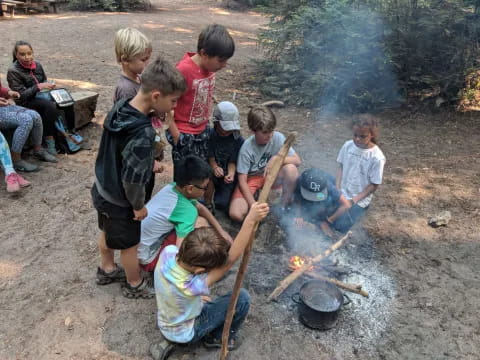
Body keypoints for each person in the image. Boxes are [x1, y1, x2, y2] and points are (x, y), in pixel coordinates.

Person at [91, 57, 186, 299]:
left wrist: (148, 161)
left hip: (102, 189)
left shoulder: (121, 106)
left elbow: (120, 153)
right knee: (129, 245)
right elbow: (132, 180)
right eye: (172, 101)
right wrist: (138, 206)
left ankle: (107, 268)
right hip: (122, 201)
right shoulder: (141, 132)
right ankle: (134, 283)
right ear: (156, 96)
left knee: (106, 229)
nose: (173, 107)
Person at [149, 202, 269, 359]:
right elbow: (231, 260)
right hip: (187, 332)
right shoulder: (191, 286)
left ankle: (180, 331)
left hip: (166, 322)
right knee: (242, 298)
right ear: (199, 271)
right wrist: (250, 221)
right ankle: (216, 338)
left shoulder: (169, 252)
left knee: (204, 297)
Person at [138, 155, 233, 272]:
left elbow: (200, 208)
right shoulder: (187, 211)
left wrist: (221, 230)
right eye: (205, 187)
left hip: (139, 250)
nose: (206, 190)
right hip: (150, 259)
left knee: (199, 222)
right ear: (190, 189)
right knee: (200, 228)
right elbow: (180, 251)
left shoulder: (172, 188)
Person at [166, 24, 235, 166]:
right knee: (186, 178)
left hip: (203, 130)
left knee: (202, 173)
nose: (224, 65)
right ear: (204, 54)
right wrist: (176, 135)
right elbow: (166, 103)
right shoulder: (183, 70)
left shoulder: (210, 68)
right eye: (221, 60)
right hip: (184, 132)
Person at [112, 27, 166, 201]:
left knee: (147, 190)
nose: (147, 63)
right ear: (125, 60)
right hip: (139, 156)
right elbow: (129, 135)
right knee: (139, 195)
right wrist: (150, 162)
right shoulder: (126, 89)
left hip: (148, 146)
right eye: (143, 59)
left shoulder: (139, 79)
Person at [229, 105, 301, 222]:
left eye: (272, 130)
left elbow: (297, 160)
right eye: (265, 132)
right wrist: (255, 207)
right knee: (235, 214)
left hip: (271, 176)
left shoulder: (277, 138)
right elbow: (242, 181)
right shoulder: (246, 148)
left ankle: (282, 207)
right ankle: (257, 202)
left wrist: (277, 158)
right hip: (251, 180)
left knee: (291, 170)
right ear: (253, 131)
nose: (270, 135)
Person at [7, 40, 76, 155]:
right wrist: (38, 87)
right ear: (16, 55)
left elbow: (43, 81)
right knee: (50, 106)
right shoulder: (13, 71)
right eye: (22, 54)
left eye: (29, 53)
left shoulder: (37, 65)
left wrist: (49, 86)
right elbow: (21, 95)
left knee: (66, 99)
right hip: (26, 101)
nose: (27, 57)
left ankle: (71, 132)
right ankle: (50, 141)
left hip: (41, 95)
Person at [332, 114, 386, 233]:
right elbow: (341, 167)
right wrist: (337, 187)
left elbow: (374, 185)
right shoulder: (348, 146)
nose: (357, 139)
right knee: (322, 210)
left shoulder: (376, 157)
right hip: (343, 192)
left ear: (371, 135)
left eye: (362, 136)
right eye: (355, 135)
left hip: (359, 200)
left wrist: (354, 200)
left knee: (340, 227)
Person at [0, 79, 57, 172]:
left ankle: (38, 150)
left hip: (3, 107)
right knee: (26, 120)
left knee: (35, 116)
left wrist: (9, 92)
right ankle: (16, 159)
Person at [206, 101, 244, 212]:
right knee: (208, 179)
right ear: (216, 123)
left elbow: (233, 161)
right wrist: (215, 167)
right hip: (212, 172)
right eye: (224, 128)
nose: (227, 132)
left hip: (227, 175)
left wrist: (231, 174)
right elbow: (210, 156)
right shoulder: (210, 134)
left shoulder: (238, 139)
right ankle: (207, 201)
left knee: (221, 204)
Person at [292, 168, 351, 237]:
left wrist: (328, 221)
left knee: (329, 201)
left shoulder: (329, 186)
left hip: (325, 201)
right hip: (307, 200)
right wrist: (298, 215)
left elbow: (346, 205)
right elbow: (297, 197)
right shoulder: (300, 181)